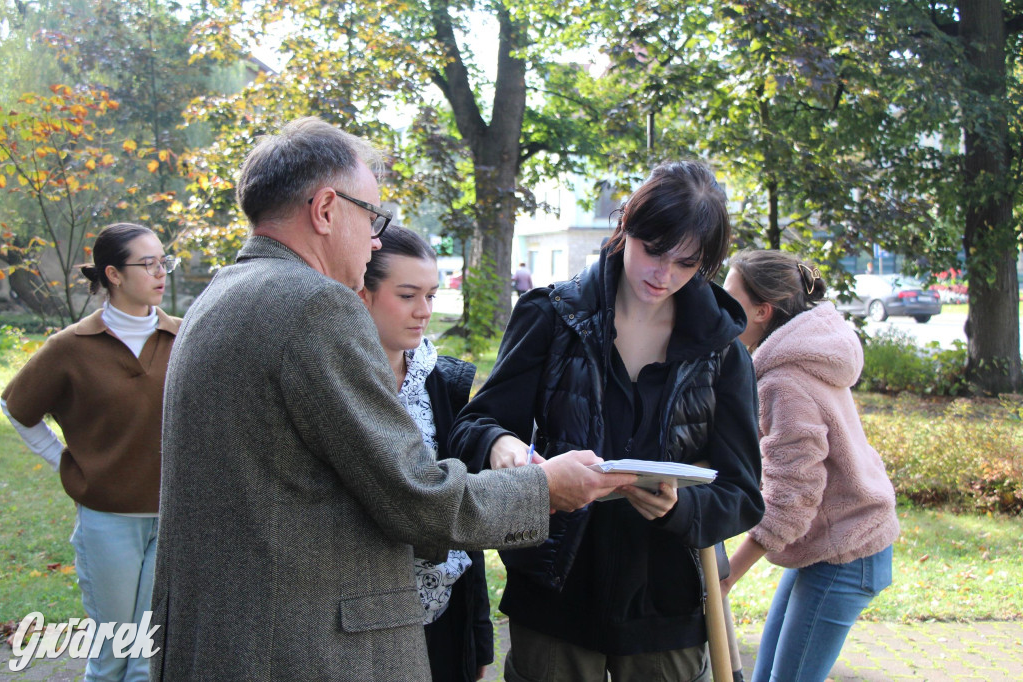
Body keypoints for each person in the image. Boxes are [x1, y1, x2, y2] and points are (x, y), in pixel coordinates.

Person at [150, 116, 636, 681]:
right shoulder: (315, 307)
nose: (377, 238)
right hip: (308, 652)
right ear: (326, 209)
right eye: (372, 216)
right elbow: (416, 497)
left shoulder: (220, 296)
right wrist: (546, 487)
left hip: (229, 640)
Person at [449, 160, 765, 681]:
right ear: (625, 230)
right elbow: (471, 427)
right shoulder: (551, 316)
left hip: (667, 609)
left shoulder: (722, 352)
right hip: (554, 595)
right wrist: (502, 445)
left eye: (686, 263)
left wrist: (679, 505)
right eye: (653, 251)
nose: (663, 275)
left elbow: (743, 494)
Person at [1, 223, 180, 682]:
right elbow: (17, 409)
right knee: (112, 657)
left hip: (175, 518)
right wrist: (64, 459)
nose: (162, 272)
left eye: (165, 262)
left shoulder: (186, 339)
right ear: (113, 274)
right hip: (107, 521)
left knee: (147, 661)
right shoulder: (69, 348)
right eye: (149, 263)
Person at [721, 249, 900, 682]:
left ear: (762, 312)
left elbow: (792, 500)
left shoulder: (785, 381)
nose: (719, 310)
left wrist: (726, 579)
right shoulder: (802, 356)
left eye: (730, 301)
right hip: (833, 547)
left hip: (847, 552)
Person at [358, 224, 493, 682]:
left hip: (445, 620)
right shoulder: (340, 387)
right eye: (408, 295)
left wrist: (478, 636)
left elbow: (464, 511)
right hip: (365, 626)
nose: (424, 312)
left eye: (432, 296)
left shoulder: (447, 384)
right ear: (363, 294)